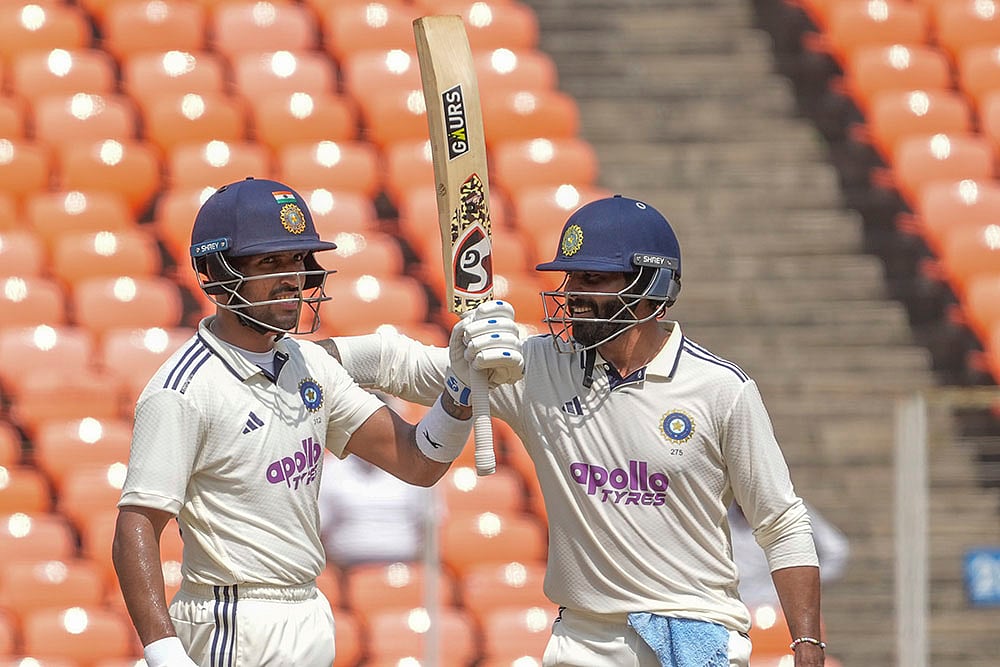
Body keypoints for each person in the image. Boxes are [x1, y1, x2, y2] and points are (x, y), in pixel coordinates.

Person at [324, 195, 827, 667]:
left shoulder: (721, 390)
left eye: (592, 278)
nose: (572, 295)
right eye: (570, 278)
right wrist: (306, 359)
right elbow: (401, 363)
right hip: (584, 641)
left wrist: (805, 642)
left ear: (649, 285)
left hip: (695, 635)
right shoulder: (537, 367)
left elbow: (781, 523)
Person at [110, 177, 523, 667]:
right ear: (213, 271)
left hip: (307, 609)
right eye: (270, 262)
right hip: (232, 620)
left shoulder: (308, 365)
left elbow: (416, 462)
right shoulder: (181, 390)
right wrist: (163, 652)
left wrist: (458, 386)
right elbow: (135, 526)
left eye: (297, 262)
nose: (292, 279)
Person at [318, 394, 432, 568]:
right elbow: (318, 529)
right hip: (345, 571)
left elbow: (428, 526)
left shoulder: (414, 469)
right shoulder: (330, 470)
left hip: (406, 569)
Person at [729, 501, 849, 610]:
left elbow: (835, 551)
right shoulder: (718, 513)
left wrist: (803, 584)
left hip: (779, 610)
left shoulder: (790, 511)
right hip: (731, 610)